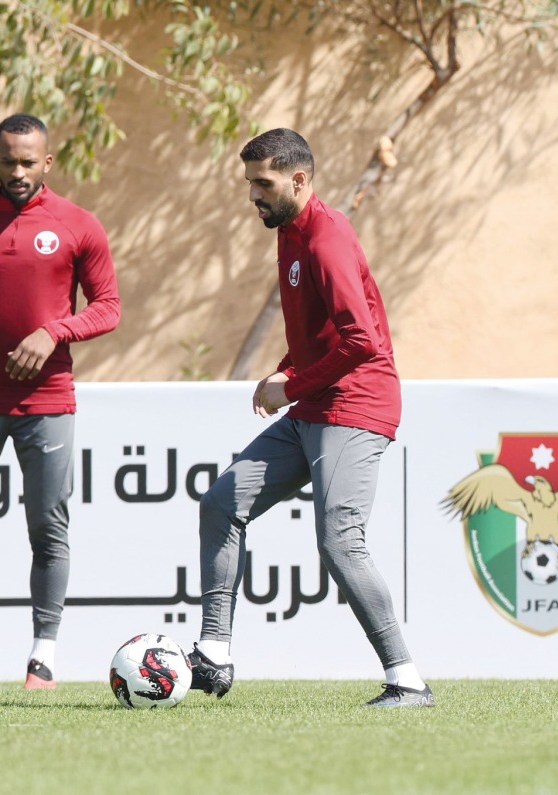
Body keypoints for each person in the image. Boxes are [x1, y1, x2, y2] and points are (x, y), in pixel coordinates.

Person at [189, 128, 433, 708]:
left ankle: (408, 680)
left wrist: (291, 385)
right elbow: (320, 332)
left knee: (339, 542)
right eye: (250, 182)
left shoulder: (326, 238)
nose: (253, 194)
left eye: (263, 183)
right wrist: (284, 369)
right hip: (315, 404)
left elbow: (362, 342)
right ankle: (215, 654)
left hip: (356, 405)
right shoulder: (291, 233)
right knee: (222, 502)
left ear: (299, 180)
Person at [0, 113, 121, 689]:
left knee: (47, 527)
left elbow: (108, 306)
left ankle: (43, 656)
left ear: (48, 162)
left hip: (49, 399)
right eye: (7, 160)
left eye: (28, 162)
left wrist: (54, 331)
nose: (17, 171)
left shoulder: (78, 225)